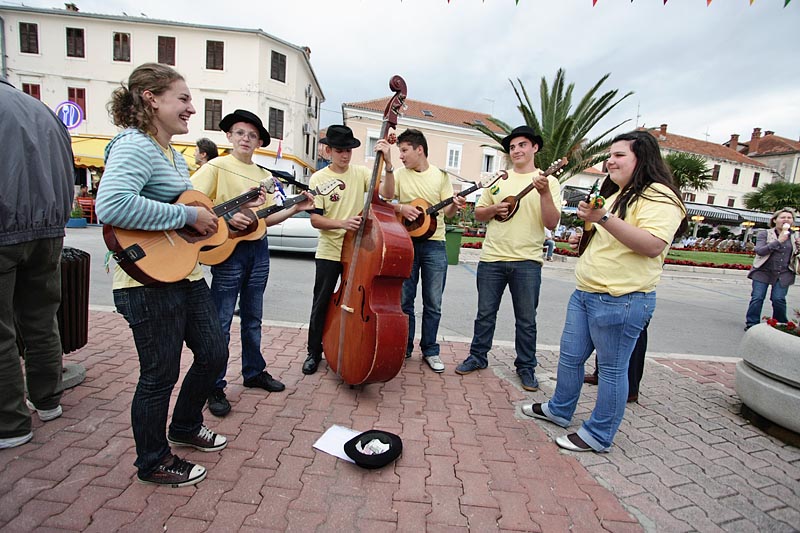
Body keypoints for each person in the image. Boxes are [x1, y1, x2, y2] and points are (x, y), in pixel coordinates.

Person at [95, 63, 228, 486]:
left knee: (213, 353)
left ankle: (185, 426)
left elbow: (181, 226)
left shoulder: (170, 153)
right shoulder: (134, 144)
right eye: (183, 98)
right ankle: (152, 461)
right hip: (146, 283)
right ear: (151, 98)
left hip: (183, 275)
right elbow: (112, 206)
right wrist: (189, 213)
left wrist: (217, 222)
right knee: (159, 375)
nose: (192, 108)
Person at [523, 130, 687, 453]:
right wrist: (584, 237)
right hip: (586, 293)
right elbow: (609, 236)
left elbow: (652, 245)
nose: (610, 161)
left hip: (623, 299)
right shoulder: (617, 195)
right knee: (570, 358)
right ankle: (560, 410)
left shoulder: (660, 196)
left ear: (643, 157)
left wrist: (604, 219)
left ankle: (598, 435)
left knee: (611, 370)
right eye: (609, 155)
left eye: (619, 155)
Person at [192, 109, 312, 416]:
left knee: (253, 317)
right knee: (221, 322)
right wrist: (231, 214)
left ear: (259, 141)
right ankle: (213, 385)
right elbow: (193, 203)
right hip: (227, 249)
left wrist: (298, 208)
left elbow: (267, 218)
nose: (246, 138)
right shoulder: (217, 166)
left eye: (252, 135)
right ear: (229, 136)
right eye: (240, 133)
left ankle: (253, 371)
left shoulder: (263, 175)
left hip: (258, 249)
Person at [455, 125, 561, 392]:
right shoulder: (499, 178)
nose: (516, 150)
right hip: (491, 258)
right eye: (512, 147)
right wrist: (492, 208)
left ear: (535, 147)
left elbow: (552, 221)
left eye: (522, 145)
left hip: (527, 261)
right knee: (484, 314)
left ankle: (526, 366)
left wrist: (545, 192)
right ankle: (478, 357)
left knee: (526, 320)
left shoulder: (549, 181)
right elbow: (478, 213)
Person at [0, 76, 73, 450]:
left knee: (3, 332)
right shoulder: (40, 109)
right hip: (47, 227)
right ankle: (47, 401)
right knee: (42, 318)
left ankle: (11, 424)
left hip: (5, 224)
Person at [301, 125, 395, 375]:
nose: (345, 155)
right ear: (328, 150)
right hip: (330, 250)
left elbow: (387, 194)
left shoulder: (361, 173)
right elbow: (315, 220)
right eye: (340, 150)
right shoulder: (319, 178)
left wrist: (387, 164)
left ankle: (350, 348)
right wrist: (343, 223)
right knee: (321, 302)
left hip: (357, 252)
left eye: (349, 150)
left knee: (356, 304)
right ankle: (313, 352)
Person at [393, 129, 466, 372]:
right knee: (405, 300)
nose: (401, 156)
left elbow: (448, 213)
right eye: (399, 151)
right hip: (407, 243)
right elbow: (383, 199)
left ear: (419, 149)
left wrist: (455, 205)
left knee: (433, 302)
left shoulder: (441, 176)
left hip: (436, 244)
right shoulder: (400, 175)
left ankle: (430, 350)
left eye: (404, 150)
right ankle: (404, 347)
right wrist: (402, 208)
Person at [744, 207, 800, 330]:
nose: (786, 220)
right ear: (775, 220)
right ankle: (752, 323)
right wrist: (779, 241)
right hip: (763, 271)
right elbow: (760, 251)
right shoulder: (765, 233)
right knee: (757, 297)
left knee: (778, 298)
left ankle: (780, 324)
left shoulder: (795, 236)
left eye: (789, 218)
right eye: (783, 217)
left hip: (784, 272)